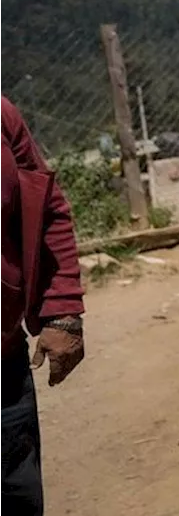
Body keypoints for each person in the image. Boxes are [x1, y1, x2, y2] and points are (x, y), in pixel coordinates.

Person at [0, 95, 85, 516]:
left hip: (3, 370)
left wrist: (62, 311)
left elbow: (46, 209)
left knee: (19, 498)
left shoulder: (1, 115)